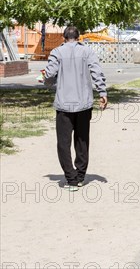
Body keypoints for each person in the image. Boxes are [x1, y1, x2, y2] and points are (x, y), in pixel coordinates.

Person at [43, 26, 108, 191]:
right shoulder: (87, 52)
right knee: (82, 140)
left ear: (64, 37)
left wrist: (46, 81)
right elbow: (97, 72)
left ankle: (71, 178)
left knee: (63, 143)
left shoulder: (57, 52)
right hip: (83, 104)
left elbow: (49, 75)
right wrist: (102, 92)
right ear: (79, 37)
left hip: (64, 105)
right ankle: (80, 176)